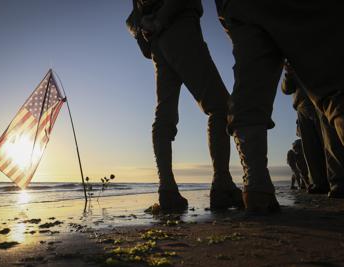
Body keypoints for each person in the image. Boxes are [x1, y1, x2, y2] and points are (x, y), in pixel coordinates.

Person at [214, 0, 344, 212]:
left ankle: (256, 185)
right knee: (334, 84)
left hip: (237, 7)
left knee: (249, 90)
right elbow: (287, 88)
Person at [126, 0, 243, 211]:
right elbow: (133, 19)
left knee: (164, 115)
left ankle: (167, 189)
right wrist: (156, 21)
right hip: (179, 29)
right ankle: (222, 185)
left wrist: (144, 26)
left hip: (158, 44)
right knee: (220, 107)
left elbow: (132, 18)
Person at [283, 64, 344, 198]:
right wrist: (288, 74)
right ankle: (319, 183)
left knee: (330, 142)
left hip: (322, 99)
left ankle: (338, 181)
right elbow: (286, 89)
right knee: (310, 150)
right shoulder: (291, 61)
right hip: (301, 107)